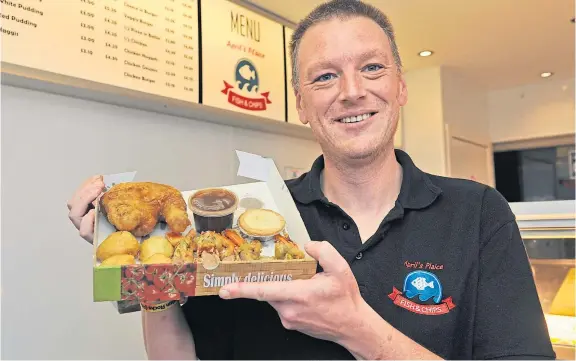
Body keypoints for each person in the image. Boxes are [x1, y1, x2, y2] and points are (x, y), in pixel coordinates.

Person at [68, 0, 556, 359]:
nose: (351, 91)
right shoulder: (252, 220)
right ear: (300, 104)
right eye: (324, 77)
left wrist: (356, 328)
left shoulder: (477, 214)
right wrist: (143, 252)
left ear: (400, 85)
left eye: (371, 67)